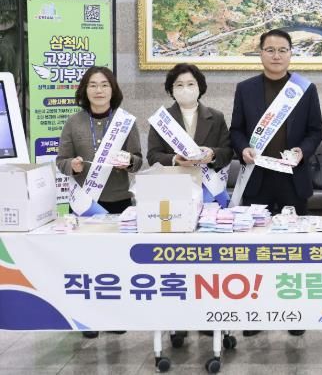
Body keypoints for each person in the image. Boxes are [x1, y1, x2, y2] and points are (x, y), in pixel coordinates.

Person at [230, 29, 322, 337]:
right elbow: (236, 130)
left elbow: (316, 131)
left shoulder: (304, 89)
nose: (276, 55)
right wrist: (243, 149)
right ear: (260, 53)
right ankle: (256, 315)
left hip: (292, 179)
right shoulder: (245, 89)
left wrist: (301, 151)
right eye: (270, 49)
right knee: (255, 250)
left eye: (282, 50)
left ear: (291, 54)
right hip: (257, 179)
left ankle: (295, 314)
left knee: (294, 250)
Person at [56, 66, 142, 339]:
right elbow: (61, 161)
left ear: (112, 90)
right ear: (85, 90)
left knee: (115, 263)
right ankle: (87, 319)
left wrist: (128, 161)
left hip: (118, 201)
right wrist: (72, 165)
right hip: (85, 204)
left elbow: (138, 160)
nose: (99, 90)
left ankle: (115, 316)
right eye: (93, 85)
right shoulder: (73, 122)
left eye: (104, 85)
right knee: (84, 263)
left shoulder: (125, 121)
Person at [147, 63, 233, 175]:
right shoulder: (161, 119)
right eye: (179, 85)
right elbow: (152, 156)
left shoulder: (217, 117)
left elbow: (228, 152)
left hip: (207, 181)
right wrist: (174, 159)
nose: (185, 89)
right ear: (172, 89)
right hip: (173, 180)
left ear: (199, 87)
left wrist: (213, 154)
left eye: (191, 84)